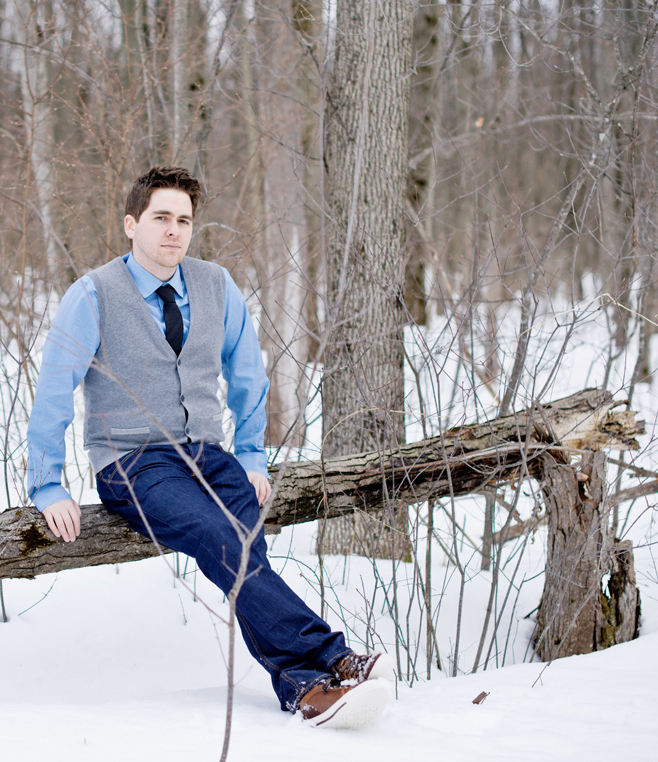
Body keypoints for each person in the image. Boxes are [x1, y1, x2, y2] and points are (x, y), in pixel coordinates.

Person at [24, 165, 393, 729]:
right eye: (161, 218)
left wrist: (250, 455)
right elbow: (54, 390)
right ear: (131, 224)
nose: (173, 231)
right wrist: (49, 484)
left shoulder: (215, 284)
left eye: (184, 221)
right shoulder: (94, 294)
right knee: (222, 536)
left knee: (245, 549)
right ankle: (331, 656)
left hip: (209, 455)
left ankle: (304, 690)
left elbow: (247, 375)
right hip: (132, 461)